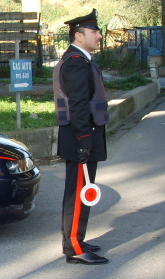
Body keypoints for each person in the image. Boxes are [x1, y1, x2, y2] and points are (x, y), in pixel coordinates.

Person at [52, 9, 110, 265]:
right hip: (80, 138)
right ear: (79, 35)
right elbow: (78, 105)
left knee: (81, 192)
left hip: (82, 137)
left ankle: (77, 238)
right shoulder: (76, 61)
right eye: (94, 31)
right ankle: (74, 248)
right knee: (78, 193)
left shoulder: (81, 59)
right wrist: (84, 140)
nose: (99, 35)